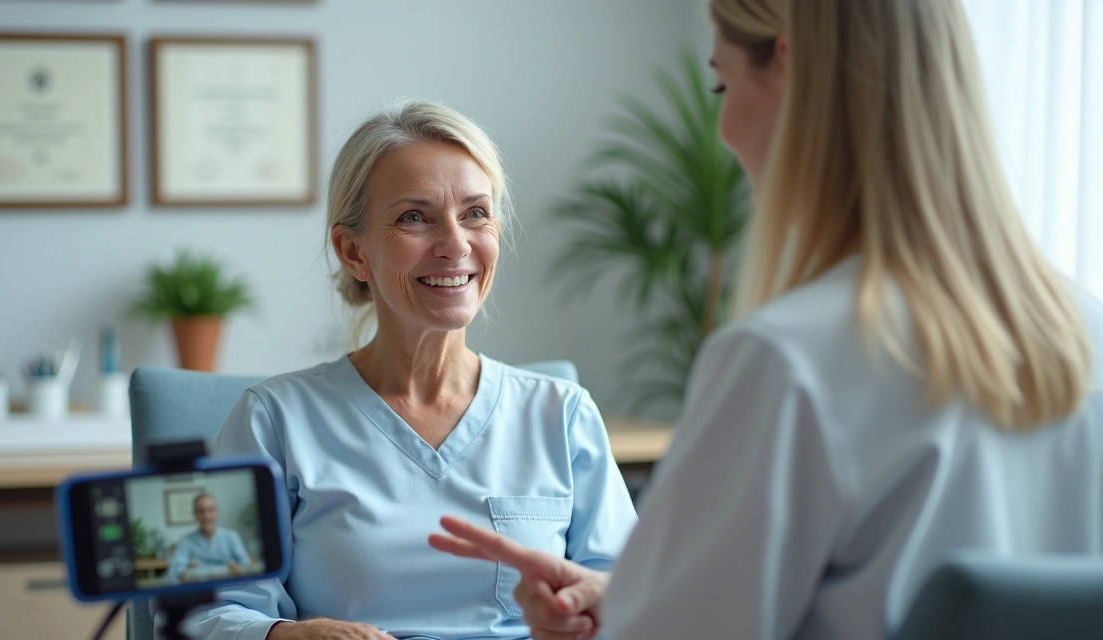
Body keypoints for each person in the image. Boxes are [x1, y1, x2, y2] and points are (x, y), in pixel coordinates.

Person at [429, 0, 1103, 638]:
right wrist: (633, 604)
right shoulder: (1084, 333)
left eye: (721, 86)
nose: (721, 128)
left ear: (787, 68)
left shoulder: (790, 360)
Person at [178, 100, 637, 640]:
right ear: (353, 252)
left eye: (475, 213)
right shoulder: (273, 421)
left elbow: (636, 600)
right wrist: (287, 636)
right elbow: (206, 612)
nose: (456, 245)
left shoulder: (562, 414)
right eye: (414, 218)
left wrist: (596, 612)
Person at [166, 493, 253, 583]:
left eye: (210, 510)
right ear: (195, 515)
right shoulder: (186, 540)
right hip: (199, 591)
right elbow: (175, 571)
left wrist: (239, 569)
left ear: (217, 512)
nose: (207, 516)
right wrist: (183, 574)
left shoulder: (231, 536)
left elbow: (246, 565)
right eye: (201, 511)